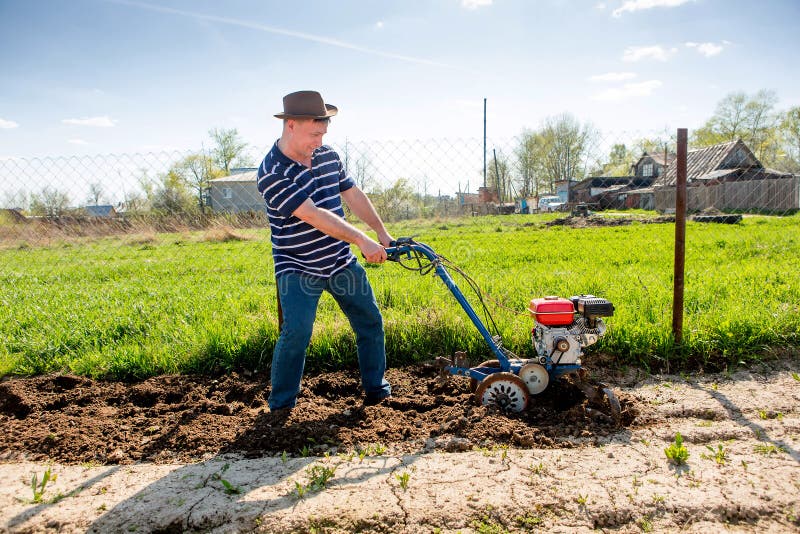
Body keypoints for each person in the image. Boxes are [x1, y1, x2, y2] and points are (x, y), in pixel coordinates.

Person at [256, 90, 393, 411]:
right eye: (314, 134)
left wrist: (380, 230)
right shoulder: (272, 172)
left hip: (339, 262)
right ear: (291, 125)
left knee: (370, 322)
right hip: (297, 266)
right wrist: (360, 239)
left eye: (323, 133)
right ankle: (280, 408)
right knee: (297, 333)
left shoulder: (328, 156)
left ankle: (377, 390)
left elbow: (353, 193)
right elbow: (314, 214)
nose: (319, 141)